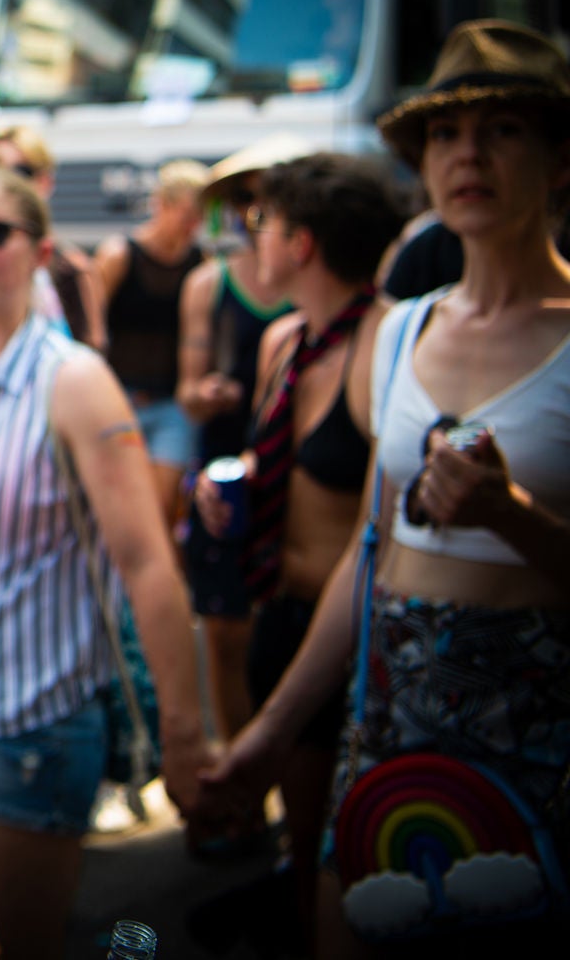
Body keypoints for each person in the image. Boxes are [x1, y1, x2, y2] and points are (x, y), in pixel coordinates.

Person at [204, 21, 570, 953]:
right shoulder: (400, 333)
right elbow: (370, 560)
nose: (469, 155)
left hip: (533, 716)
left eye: (503, 130)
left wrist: (510, 516)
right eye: (445, 135)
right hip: (389, 704)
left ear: (559, 157)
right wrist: (264, 737)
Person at [0, 164, 211, 960]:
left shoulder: (75, 381)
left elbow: (145, 562)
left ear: (37, 250)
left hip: (35, 724)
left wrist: (184, 732)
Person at [191, 153, 402, 947]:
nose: (255, 240)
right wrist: (230, 483)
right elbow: (277, 457)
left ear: (303, 243)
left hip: (342, 634)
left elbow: (379, 509)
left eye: (264, 225)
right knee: (299, 834)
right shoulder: (286, 339)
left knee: (331, 850)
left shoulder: (384, 344)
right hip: (275, 614)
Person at [174, 135, 303, 744]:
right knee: (224, 633)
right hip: (224, 467)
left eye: (274, 198)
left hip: (299, 471)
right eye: (250, 199)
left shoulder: (319, 282)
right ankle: (235, 770)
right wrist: (210, 395)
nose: (260, 213)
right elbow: (187, 392)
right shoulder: (210, 284)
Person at [93, 159, 208, 531]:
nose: (193, 226)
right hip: (120, 397)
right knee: (116, 507)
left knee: (160, 511)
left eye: (199, 217)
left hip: (170, 402)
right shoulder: (119, 255)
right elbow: (91, 330)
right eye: (186, 214)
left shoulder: (199, 262)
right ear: (163, 205)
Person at [0, 126, 105, 351]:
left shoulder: (71, 268)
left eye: (19, 173)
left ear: (45, 182)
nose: (6, 184)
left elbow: (91, 348)